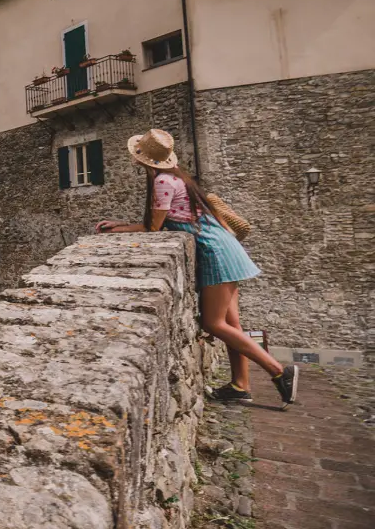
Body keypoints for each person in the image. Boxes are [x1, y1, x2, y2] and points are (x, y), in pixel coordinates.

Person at [95, 129, 298, 409]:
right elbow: (161, 221)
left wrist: (117, 229)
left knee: (213, 324)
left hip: (215, 252)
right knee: (232, 325)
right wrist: (123, 224)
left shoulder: (162, 181)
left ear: (143, 159)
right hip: (225, 247)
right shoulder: (179, 178)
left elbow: (154, 227)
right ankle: (240, 386)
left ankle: (278, 371)